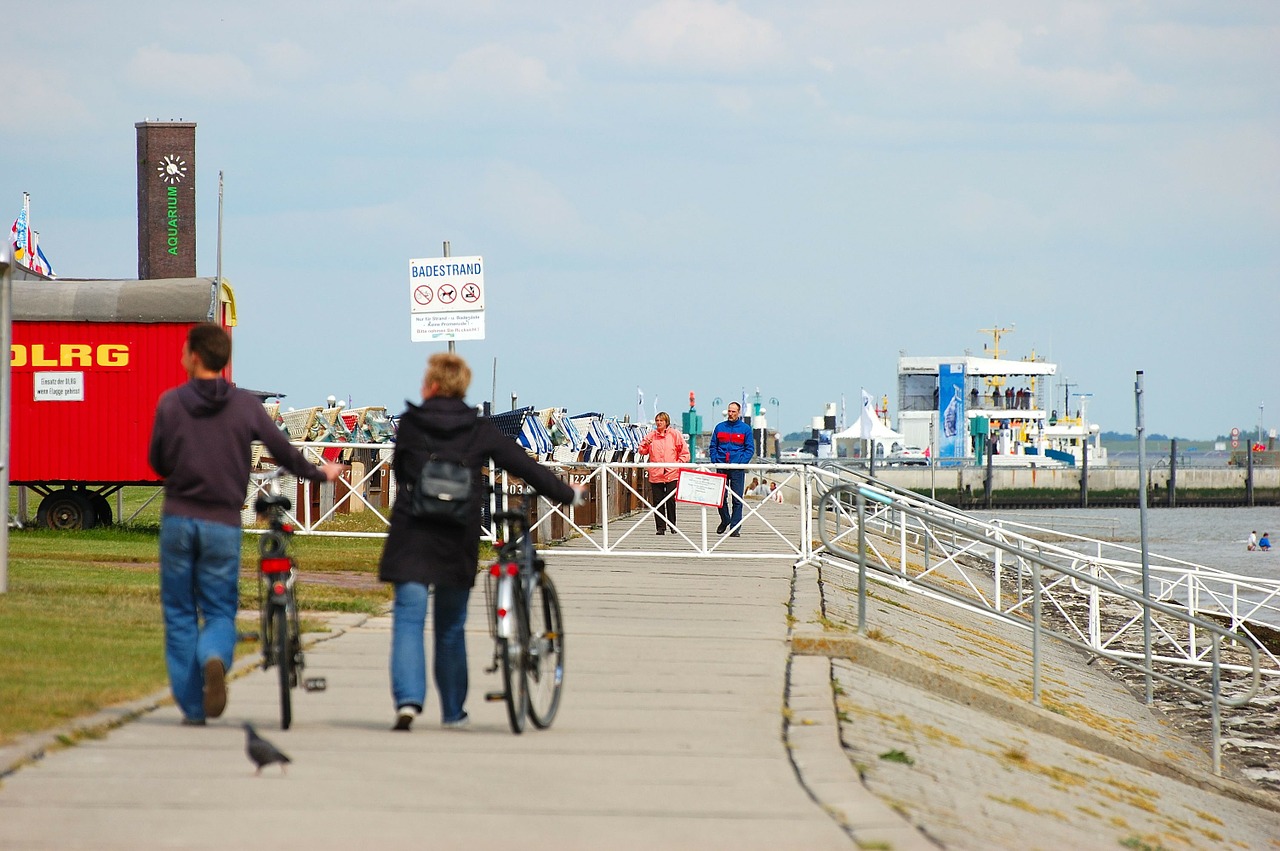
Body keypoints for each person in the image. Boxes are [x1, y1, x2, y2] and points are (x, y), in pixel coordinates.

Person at [149, 324, 345, 727]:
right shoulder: (244, 406)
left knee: (181, 612)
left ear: (196, 357)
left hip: (180, 519)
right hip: (223, 522)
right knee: (221, 608)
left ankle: (192, 707)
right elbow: (282, 450)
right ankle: (216, 657)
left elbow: (157, 460)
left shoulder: (171, 404)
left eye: (185, 349)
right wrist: (317, 473)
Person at [379, 352, 583, 732]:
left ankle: (408, 702)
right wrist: (566, 493)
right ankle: (453, 712)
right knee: (450, 626)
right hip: (456, 534)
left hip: (413, 531)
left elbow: (402, 471)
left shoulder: (409, 424)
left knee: (408, 619)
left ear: (433, 386)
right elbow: (524, 465)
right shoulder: (479, 429)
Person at [636, 411, 690, 535]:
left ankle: (672, 525)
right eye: (657, 421)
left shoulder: (675, 435)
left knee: (670, 500)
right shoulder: (651, 436)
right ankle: (660, 527)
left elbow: (685, 453)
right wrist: (646, 444)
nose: (659, 423)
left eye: (661, 420)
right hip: (656, 473)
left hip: (672, 473)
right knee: (658, 501)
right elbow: (642, 451)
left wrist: (677, 463)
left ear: (666, 422)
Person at [708, 401, 755, 536]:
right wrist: (715, 459)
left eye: (733, 411)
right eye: (729, 411)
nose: (730, 414)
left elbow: (749, 449)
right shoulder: (719, 427)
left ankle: (735, 529)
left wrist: (741, 462)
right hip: (721, 466)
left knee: (737, 499)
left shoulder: (745, 429)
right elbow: (713, 446)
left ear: (738, 413)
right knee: (720, 497)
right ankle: (725, 520)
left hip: (737, 468)